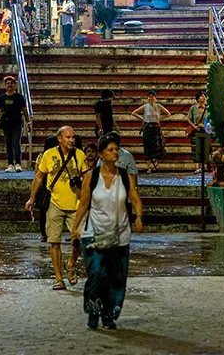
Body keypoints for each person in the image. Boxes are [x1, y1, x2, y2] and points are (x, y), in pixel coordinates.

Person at [71, 133, 144, 330]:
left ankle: (109, 314)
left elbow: (135, 199)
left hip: (120, 235)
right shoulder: (91, 177)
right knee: (97, 273)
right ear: (102, 154)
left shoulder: (125, 177)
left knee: (117, 277)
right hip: (94, 233)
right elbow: (83, 204)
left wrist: (138, 216)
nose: (115, 153)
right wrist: (75, 227)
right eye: (110, 150)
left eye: (116, 149)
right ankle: (93, 311)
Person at [25, 126, 87, 290]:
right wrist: (32, 198)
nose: (71, 140)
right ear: (59, 139)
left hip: (76, 204)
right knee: (54, 242)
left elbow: (87, 176)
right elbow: (39, 177)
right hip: (54, 203)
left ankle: (71, 264)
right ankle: (59, 279)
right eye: (67, 137)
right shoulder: (49, 154)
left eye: (73, 137)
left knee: (78, 240)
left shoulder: (80, 155)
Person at [130, 91, 173, 172]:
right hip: (148, 128)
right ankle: (149, 166)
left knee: (157, 146)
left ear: (155, 98)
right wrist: (143, 119)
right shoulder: (145, 106)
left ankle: (156, 164)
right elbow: (134, 113)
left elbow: (168, 113)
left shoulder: (159, 106)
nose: (151, 98)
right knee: (147, 146)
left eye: (152, 96)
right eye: (149, 97)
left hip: (156, 128)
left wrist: (159, 119)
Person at [0, 76, 30, 172]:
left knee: (16, 143)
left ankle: (18, 164)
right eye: (7, 83)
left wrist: (28, 122)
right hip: (6, 123)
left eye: (11, 83)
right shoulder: (1, 98)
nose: (9, 85)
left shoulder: (19, 97)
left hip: (16, 123)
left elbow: (24, 110)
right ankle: (10, 164)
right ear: (5, 85)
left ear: (14, 85)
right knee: (8, 144)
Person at [185, 91, 208, 173]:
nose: (204, 97)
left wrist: (205, 125)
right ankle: (197, 167)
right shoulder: (193, 108)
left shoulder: (207, 109)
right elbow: (188, 118)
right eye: (202, 96)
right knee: (196, 149)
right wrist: (194, 126)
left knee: (204, 149)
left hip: (205, 130)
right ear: (198, 99)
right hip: (196, 131)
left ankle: (203, 166)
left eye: (205, 96)